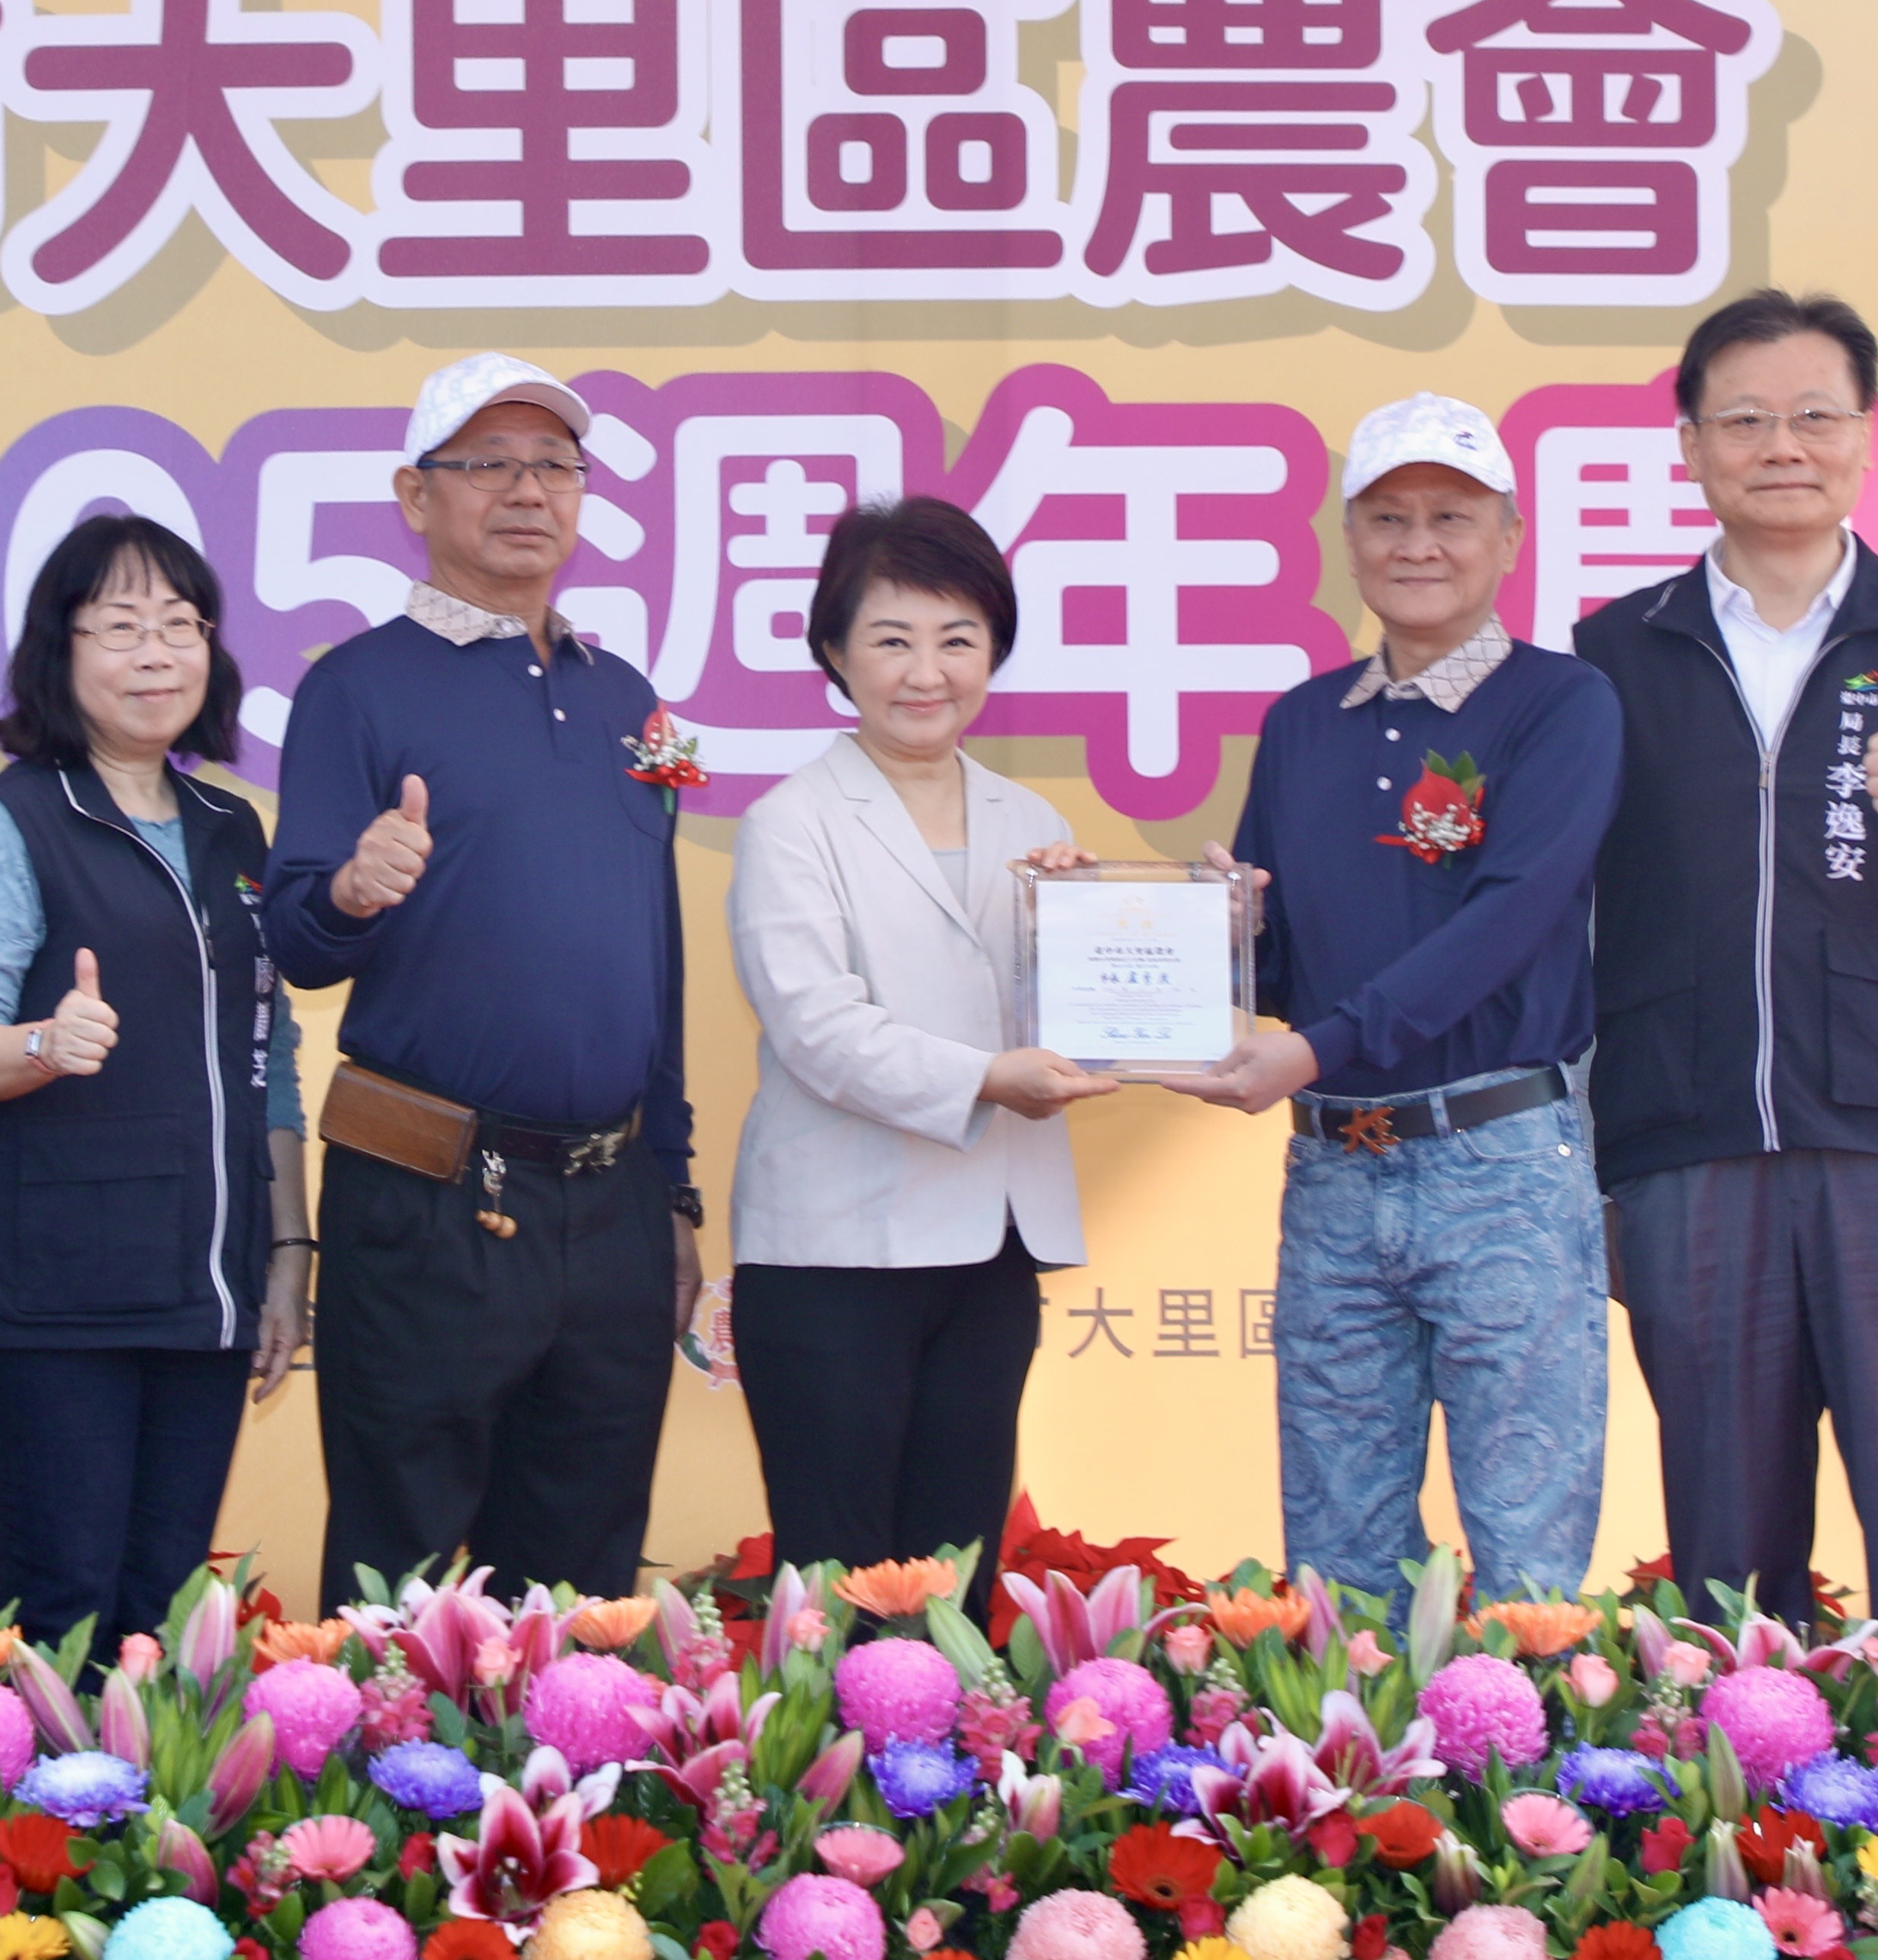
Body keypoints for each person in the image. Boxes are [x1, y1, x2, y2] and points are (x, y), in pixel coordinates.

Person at [1573, 288, 1878, 1625]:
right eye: (1744, 419)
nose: (1782, 445)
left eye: (1814, 415)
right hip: (1685, 1132)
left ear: (1866, 434)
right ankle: (1746, 1757)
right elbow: (1561, 900)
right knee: (1725, 1542)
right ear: (1690, 444)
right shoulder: (1612, 653)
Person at [1166, 393, 1621, 1601]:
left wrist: (1315, 1047)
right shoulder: (1303, 722)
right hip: (1335, 1168)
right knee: (1339, 1561)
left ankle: (1529, 1739)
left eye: (1451, 517)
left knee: (1529, 1568)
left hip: (1500, 1163)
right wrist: (1226, 937)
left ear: (1510, 537)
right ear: (1351, 539)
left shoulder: (1561, 705)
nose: (1419, 545)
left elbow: (1509, 920)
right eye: (1388, 517)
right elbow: (1287, 973)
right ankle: (1370, 1736)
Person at [267, 352, 704, 1608]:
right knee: (396, 1584)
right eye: (491, 464)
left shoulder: (634, 701)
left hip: (613, 1210)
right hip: (429, 1200)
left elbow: (655, 947)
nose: (529, 491)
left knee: (585, 1593)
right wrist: (353, 892)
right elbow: (296, 940)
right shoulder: (354, 685)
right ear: (417, 496)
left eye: (556, 465)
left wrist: (672, 1188)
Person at [0, 513, 310, 1647]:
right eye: (121, 628)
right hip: (52, 1294)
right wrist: (43, 1044)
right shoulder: (14, 820)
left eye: (181, 626)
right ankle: (43, 1779)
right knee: (65, 1607)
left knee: (163, 1619)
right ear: (61, 649)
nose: (156, 655)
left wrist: (289, 1251)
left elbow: (271, 1058)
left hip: (206, 1286)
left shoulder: (234, 829)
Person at [724, 499, 1113, 1595]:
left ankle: (947, 1720)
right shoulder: (792, 821)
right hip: (836, 1253)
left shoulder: (1032, 821)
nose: (927, 672)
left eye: (958, 639)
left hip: (990, 1250)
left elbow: (1066, 1022)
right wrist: (988, 1078)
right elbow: (817, 1029)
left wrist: (1114, 934)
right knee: (838, 1578)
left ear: (995, 649)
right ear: (835, 651)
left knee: (958, 1573)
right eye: (892, 640)